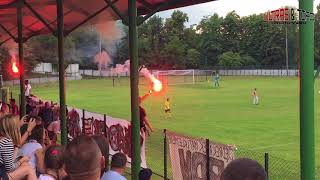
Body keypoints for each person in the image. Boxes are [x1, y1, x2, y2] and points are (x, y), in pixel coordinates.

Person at [0, 114, 37, 180]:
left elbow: (10, 161)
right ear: (14, 128)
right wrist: (22, 160)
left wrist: (17, 147)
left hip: (2, 171)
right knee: (28, 169)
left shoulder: (4, 139)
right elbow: (10, 169)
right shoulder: (7, 142)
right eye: (17, 124)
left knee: (25, 165)